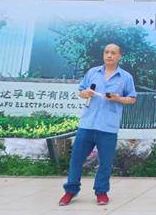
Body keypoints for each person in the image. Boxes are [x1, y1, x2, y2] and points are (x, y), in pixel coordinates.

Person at [59, 44, 137, 206]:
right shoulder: (92, 72)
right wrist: (85, 93)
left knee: (105, 163)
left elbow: (132, 98)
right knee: (76, 159)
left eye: (113, 53)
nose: (109, 55)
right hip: (87, 124)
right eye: (106, 52)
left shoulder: (125, 77)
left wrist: (117, 98)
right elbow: (81, 91)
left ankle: (101, 192)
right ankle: (70, 191)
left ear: (119, 56)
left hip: (108, 127)